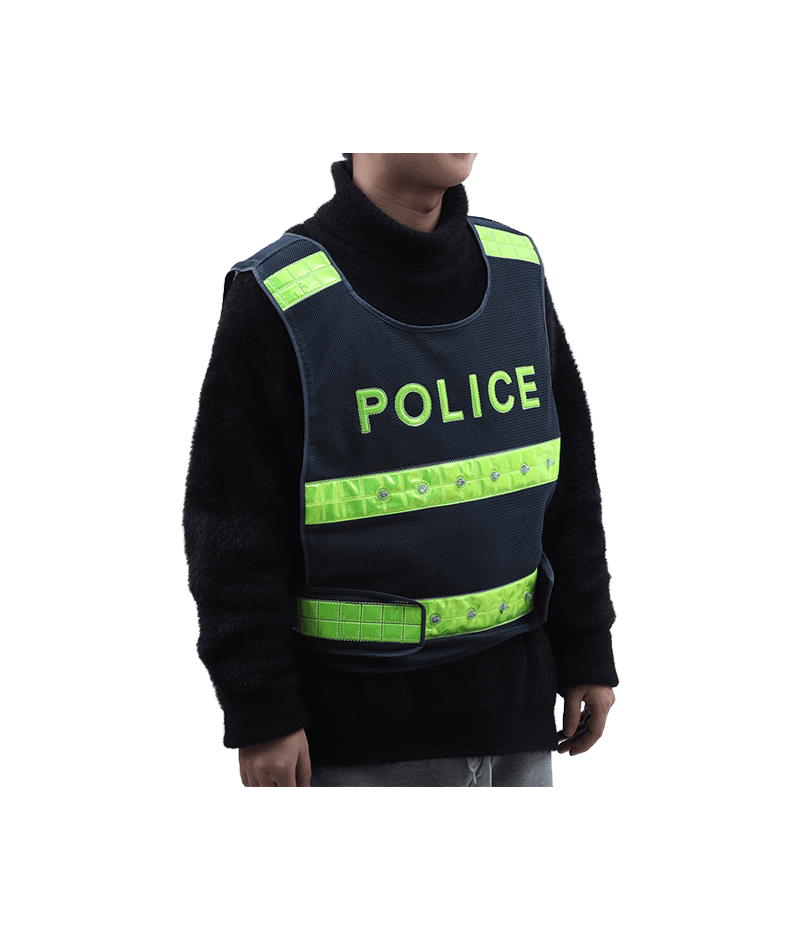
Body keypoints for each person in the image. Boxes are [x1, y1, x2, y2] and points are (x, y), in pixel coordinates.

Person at [181, 153, 619, 787]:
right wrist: (261, 708)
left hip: (519, 724)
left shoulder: (518, 269)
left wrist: (587, 647)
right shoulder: (281, 297)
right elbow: (232, 530)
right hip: (355, 742)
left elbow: (568, 482)